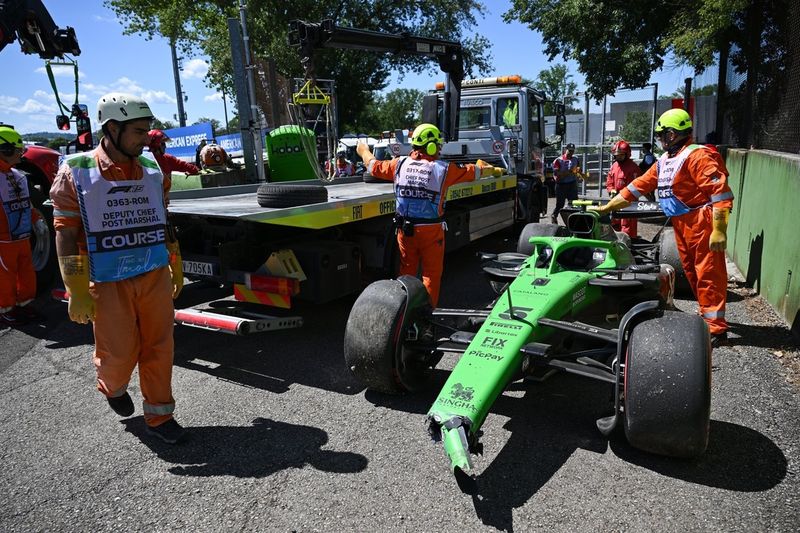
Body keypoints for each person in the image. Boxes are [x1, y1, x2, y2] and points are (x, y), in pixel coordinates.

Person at [50, 92, 186, 443]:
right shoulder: (76, 171)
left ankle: (159, 417)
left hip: (153, 272)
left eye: (146, 131)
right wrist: (76, 290)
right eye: (139, 132)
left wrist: (175, 261)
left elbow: (163, 218)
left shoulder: (153, 169)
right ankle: (112, 387)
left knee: (160, 346)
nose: (146, 139)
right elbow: (65, 234)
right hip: (107, 280)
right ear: (112, 128)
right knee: (119, 353)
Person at [592, 108, 734, 347]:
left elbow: (720, 194)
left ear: (671, 134)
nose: (659, 139)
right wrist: (607, 207)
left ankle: (716, 328)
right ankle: (706, 315)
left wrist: (719, 230)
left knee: (708, 273)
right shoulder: (666, 161)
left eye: (661, 135)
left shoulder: (697, 156)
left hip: (702, 220)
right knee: (692, 272)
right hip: (682, 221)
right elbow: (636, 187)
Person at [356, 123, 495, 307]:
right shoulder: (444, 169)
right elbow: (474, 172)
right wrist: (491, 169)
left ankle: (402, 311)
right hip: (431, 231)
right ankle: (427, 319)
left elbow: (373, 166)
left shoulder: (399, 164)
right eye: (438, 145)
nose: (439, 149)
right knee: (430, 275)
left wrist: (363, 150)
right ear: (431, 146)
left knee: (406, 273)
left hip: (405, 230)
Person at [0, 124, 44, 326]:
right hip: (3, 240)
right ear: (5, 150)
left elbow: (27, 202)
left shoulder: (18, 175)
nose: (21, 155)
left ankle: (24, 303)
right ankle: (7, 309)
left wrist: (37, 220)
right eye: (18, 151)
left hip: (22, 235)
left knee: (27, 271)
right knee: (5, 276)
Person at [147, 129, 200, 203]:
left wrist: (196, 170)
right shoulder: (145, 160)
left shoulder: (168, 159)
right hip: (148, 200)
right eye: (163, 144)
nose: (165, 147)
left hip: (163, 201)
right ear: (156, 144)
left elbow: (183, 165)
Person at [605, 140, 641, 238]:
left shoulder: (633, 168)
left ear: (627, 154)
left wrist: (624, 197)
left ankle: (628, 246)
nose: (618, 157)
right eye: (616, 155)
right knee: (614, 223)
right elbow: (609, 180)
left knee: (627, 227)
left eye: (621, 155)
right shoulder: (614, 166)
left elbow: (635, 187)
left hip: (628, 203)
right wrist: (611, 189)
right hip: (615, 200)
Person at [551, 143, 580, 223]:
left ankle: (574, 220)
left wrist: (579, 175)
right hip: (561, 185)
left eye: (572, 151)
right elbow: (557, 174)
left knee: (574, 203)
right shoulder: (558, 160)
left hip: (572, 184)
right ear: (565, 150)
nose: (571, 153)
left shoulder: (576, 159)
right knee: (560, 204)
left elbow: (577, 169)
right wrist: (569, 172)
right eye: (569, 151)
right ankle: (554, 215)